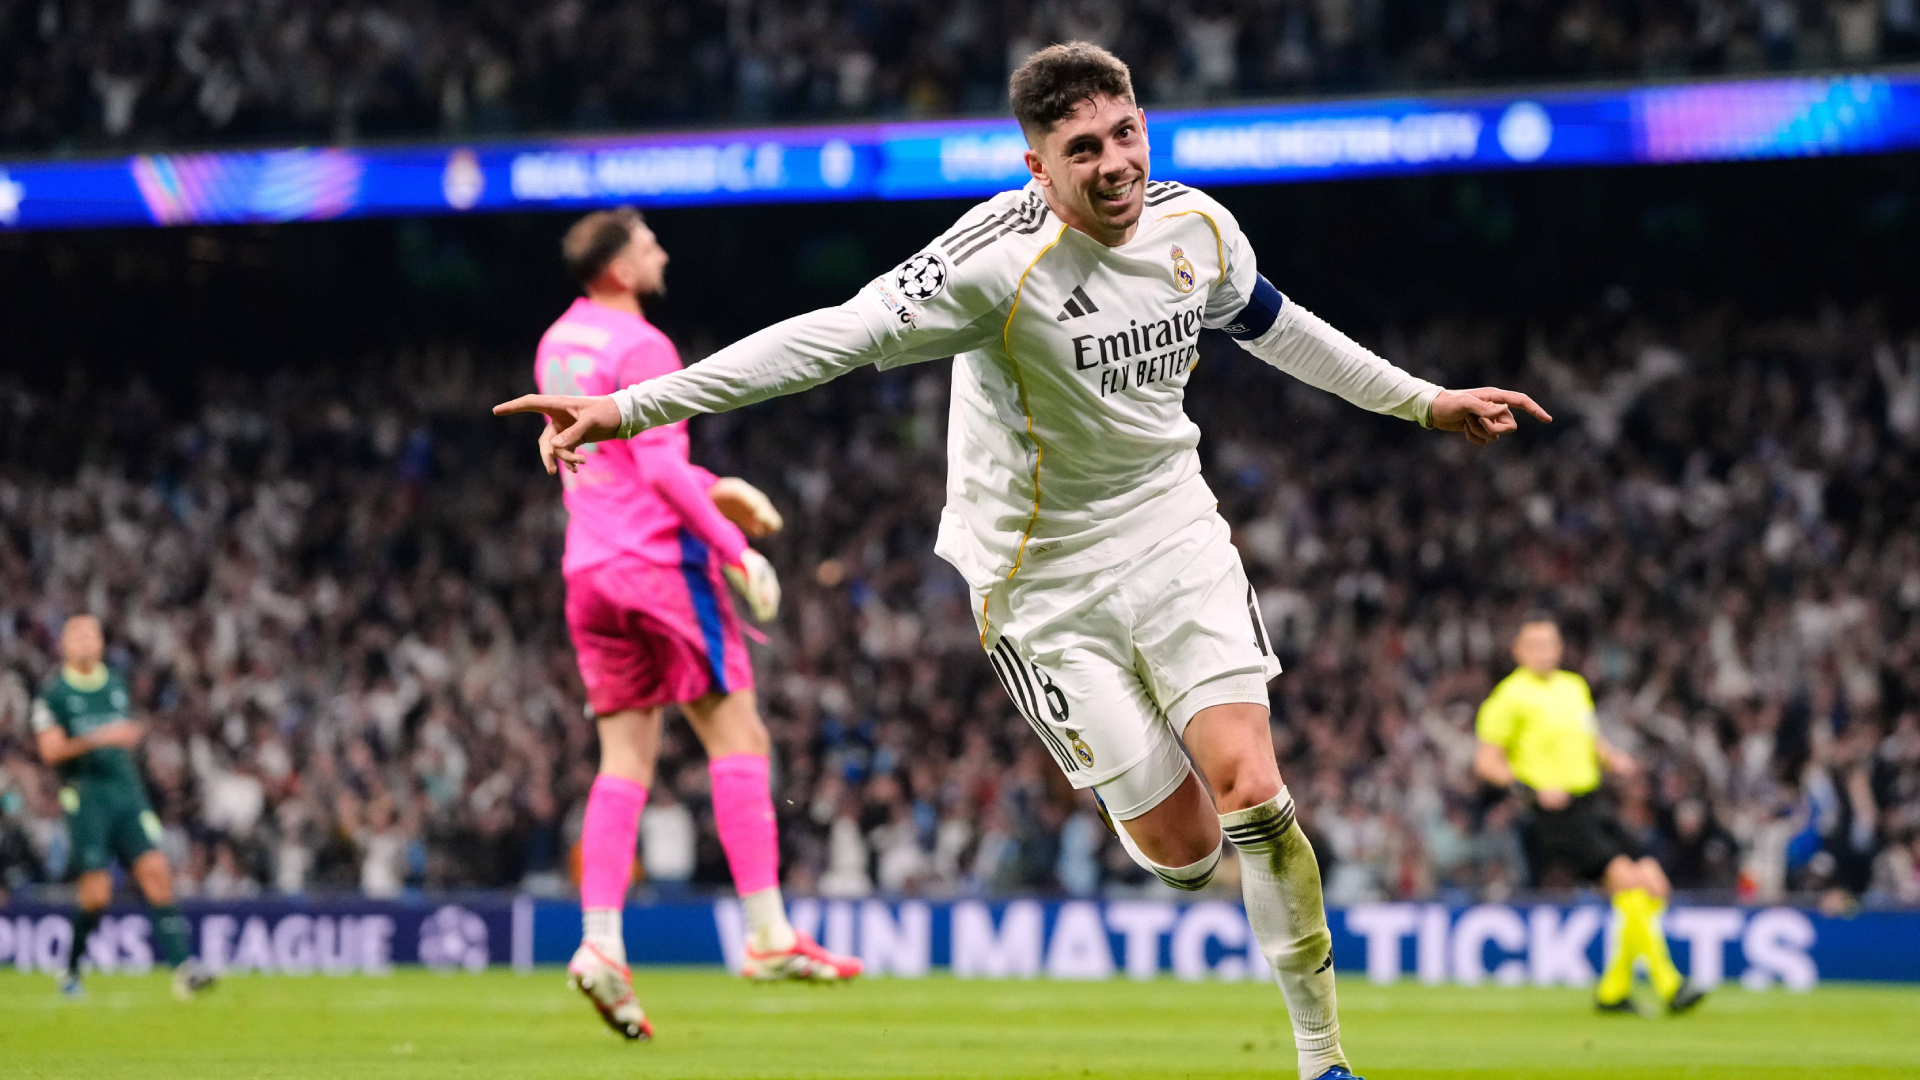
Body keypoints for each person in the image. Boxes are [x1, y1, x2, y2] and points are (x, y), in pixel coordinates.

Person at [498, 43, 1550, 1080]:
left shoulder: (1199, 229)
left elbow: (1279, 326)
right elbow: (831, 338)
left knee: (1259, 799)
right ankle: (1165, 821)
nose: (1115, 163)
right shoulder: (991, 264)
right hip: (1040, 585)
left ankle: (1322, 1061)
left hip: (1174, 536)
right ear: (1037, 169)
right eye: (1083, 148)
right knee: (1187, 854)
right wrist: (629, 409)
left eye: (1126, 133)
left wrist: (1423, 400)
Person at [534, 208, 862, 1043]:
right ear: (615, 268)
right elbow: (657, 467)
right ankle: (766, 935)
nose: (662, 254)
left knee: (624, 762)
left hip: (589, 572)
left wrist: (716, 484)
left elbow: (610, 466)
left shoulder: (557, 343)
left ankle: (600, 943)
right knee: (739, 739)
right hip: (660, 570)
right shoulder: (644, 346)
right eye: (647, 246)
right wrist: (731, 548)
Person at [1473, 619, 1706, 1014]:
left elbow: (1589, 738)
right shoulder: (1508, 697)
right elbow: (1486, 761)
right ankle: (1670, 984)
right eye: (1535, 645)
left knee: (1653, 883)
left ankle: (1614, 991)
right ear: (1518, 651)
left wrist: (1613, 757)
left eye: (1551, 644)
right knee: (1630, 882)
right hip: (1557, 812)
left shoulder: (1573, 687)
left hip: (1594, 800)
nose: (1544, 651)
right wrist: (1528, 789)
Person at [30, 615, 214, 1000]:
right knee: (97, 895)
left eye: (93, 633)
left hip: (127, 793)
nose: (87, 640)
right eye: (78, 634)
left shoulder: (115, 684)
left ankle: (185, 969)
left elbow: (128, 736)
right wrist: (100, 737)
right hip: (86, 796)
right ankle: (71, 969)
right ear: (64, 644)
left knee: (156, 872)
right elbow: (50, 751)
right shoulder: (53, 694)